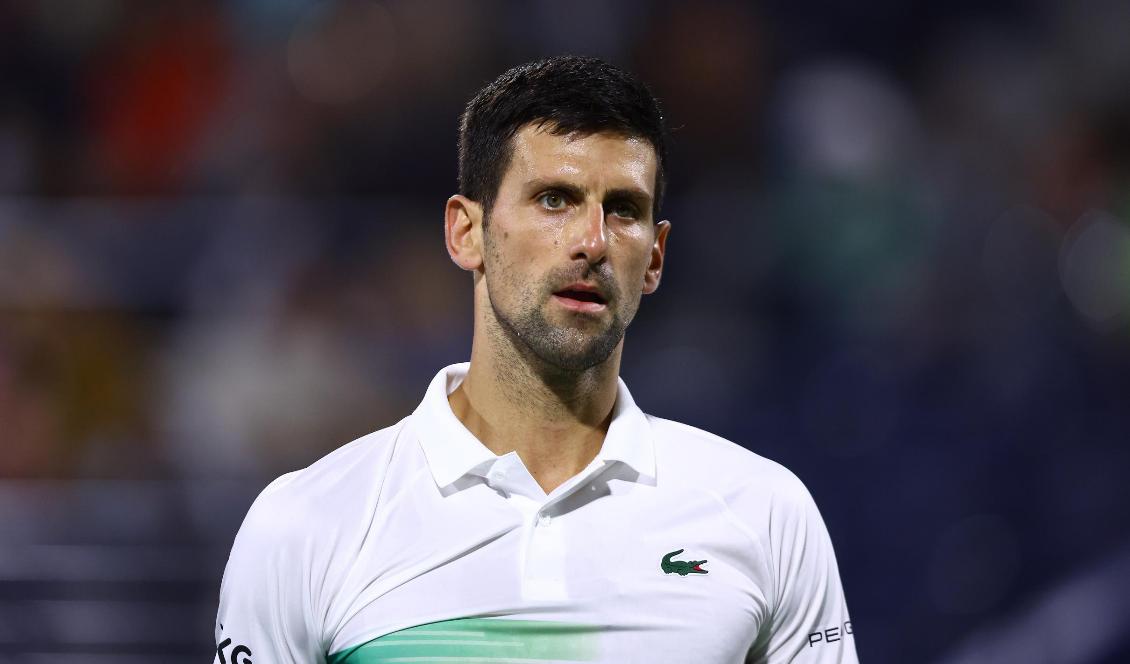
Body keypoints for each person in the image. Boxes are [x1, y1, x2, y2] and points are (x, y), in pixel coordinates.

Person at [213, 55, 858, 664]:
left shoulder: (764, 514)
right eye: (555, 199)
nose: (592, 242)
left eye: (624, 210)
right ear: (467, 232)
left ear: (656, 256)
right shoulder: (304, 525)